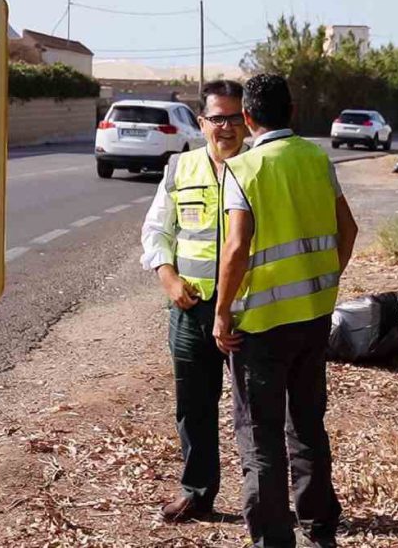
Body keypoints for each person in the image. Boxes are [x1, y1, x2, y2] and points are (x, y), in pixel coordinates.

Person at [214, 74, 359, 548]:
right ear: (292, 111)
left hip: (260, 328)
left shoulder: (245, 168)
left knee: (260, 439)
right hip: (313, 318)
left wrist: (222, 313)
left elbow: (236, 250)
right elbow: (348, 230)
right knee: (308, 426)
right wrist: (324, 281)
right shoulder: (317, 158)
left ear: (248, 118)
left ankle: (274, 541)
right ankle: (322, 531)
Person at [140, 79, 248, 522]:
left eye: (234, 117)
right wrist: (168, 278)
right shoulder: (179, 168)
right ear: (201, 122)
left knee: (254, 412)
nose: (225, 127)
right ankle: (197, 492)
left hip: (249, 313)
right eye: (216, 117)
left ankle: (263, 503)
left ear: (248, 120)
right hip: (190, 312)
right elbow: (156, 232)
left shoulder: (262, 168)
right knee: (194, 408)